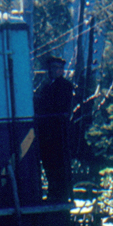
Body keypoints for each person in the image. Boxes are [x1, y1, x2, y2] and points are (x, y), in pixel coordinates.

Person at [35, 55, 74, 203]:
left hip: (58, 133)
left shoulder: (65, 86)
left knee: (59, 165)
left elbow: (58, 107)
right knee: (49, 164)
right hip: (47, 133)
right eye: (52, 68)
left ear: (62, 70)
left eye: (58, 68)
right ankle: (53, 191)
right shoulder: (46, 87)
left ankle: (60, 193)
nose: (55, 71)